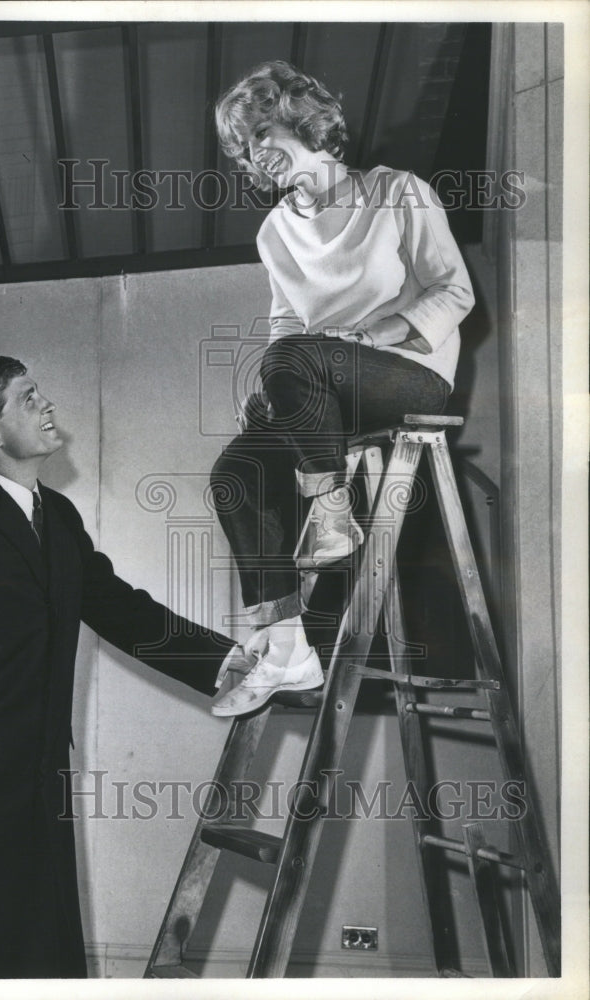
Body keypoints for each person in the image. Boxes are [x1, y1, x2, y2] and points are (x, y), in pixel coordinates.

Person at [0, 356, 238, 979]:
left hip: (39, 789)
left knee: (36, 961)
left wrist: (226, 660)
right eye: (27, 398)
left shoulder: (58, 516)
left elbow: (119, 608)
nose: (48, 406)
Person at [210, 61, 475, 717]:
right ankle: (286, 641)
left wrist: (375, 336)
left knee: (295, 361)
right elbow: (284, 325)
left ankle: (329, 514)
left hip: (408, 375)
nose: (254, 158)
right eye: (243, 150)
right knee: (235, 472)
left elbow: (455, 291)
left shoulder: (397, 192)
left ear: (304, 122)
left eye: (260, 137)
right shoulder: (275, 232)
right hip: (320, 389)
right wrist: (276, 384)